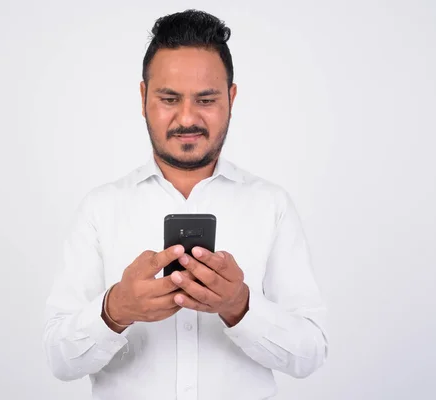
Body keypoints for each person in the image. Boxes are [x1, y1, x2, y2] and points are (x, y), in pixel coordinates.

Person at [43, 9, 328, 400]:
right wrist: (115, 310)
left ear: (231, 98)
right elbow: (59, 360)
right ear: (144, 98)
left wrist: (240, 307)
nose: (188, 118)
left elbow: (310, 354)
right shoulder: (101, 209)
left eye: (206, 99)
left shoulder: (271, 205)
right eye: (169, 98)